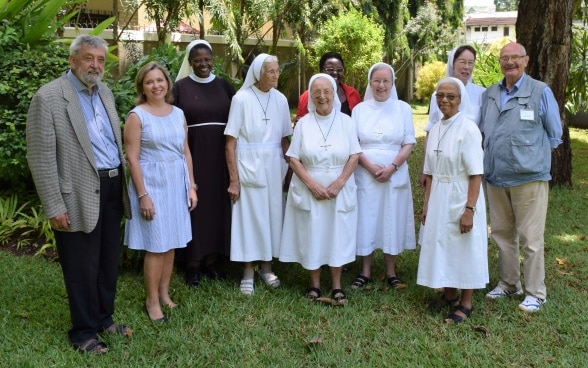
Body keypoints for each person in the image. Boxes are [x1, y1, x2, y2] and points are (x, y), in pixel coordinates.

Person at [26, 35, 132, 354]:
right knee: (81, 266)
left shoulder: (106, 92)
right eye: (88, 58)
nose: (95, 65)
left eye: (100, 60)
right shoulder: (49, 97)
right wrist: (54, 205)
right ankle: (83, 332)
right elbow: (40, 156)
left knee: (106, 262)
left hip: (112, 187)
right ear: (73, 61)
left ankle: (103, 317)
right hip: (76, 193)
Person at [480, 42, 562, 312]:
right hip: (495, 177)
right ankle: (508, 283)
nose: (510, 62)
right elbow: (484, 133)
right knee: (502, 235)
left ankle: (536, 293)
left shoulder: (540, 91)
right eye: (505, 58)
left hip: (529, 178)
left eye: (515, 57)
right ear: (500, 62)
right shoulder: (490, 93)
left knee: (530, 238)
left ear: (526, 61)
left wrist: (528, 155)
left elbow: (554, 134)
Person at [124, 62, 197, 322]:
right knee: (156, 245)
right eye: (149, 82)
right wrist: (143, 195)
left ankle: (164, 294)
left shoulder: (178, 113)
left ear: (168, 83)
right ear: (142, 87)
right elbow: (132, 158)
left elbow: (185, 151)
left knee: (171, 243)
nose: (156, 85)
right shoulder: (137, 116)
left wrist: (192, 186)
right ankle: (151, 301)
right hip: (151, 184)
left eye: (160, 80)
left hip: (176, 183)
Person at [280, 73, 361, 304]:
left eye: (327, 91)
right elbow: (293, 158)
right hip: (310, 187)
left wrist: (339, 183)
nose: (322, 96)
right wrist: (313, 185)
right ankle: (314, 285)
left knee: (338, 233)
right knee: (312, 233)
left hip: (340, 188)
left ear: (334, 94)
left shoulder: (346, 121)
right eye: (317, 92)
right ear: (311, 96)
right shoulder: (304, 123)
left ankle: (336, 285)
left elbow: (355, 155)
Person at [417, 77, 488, 324]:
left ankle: (466, 303)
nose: (444, 100)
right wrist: (427, 205)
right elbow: (431, 173)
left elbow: (476, 173)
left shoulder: (467, 128)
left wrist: (470, 209)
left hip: (461, 193)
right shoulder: (436, 128)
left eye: (451, 96)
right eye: (440, 96)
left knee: (463, 246)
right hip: (439, 195)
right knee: (443, 243)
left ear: (460, 100)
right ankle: (449, 295)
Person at [224, 54, 292, 295]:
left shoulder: (281, 99)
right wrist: (234, 180)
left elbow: (285, 139)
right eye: (270, 71)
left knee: (273, 215)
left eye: (277, 71)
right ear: (257, 73)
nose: (276, 75)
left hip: (274, 165)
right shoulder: (241, 99)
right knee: (249, 218)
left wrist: (288, 171)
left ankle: (266, 267)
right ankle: (247, 271)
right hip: (248, 163)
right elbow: (230, 142)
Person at [173, 40, 236, 287]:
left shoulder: (223, 85)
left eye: (207, 59)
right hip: (195, 154)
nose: (203, 64)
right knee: (195, 208)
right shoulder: (180, 87)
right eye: (197, 60)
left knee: (217, 206)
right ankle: (192, 264)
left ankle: (212, 261)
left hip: (221, 155)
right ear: (190, 62)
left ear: (213, 60)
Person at [350, 63, 416, 290]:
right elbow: (353, 144)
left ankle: (391, 272)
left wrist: (392, 167)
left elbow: (409, 142)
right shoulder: (359, 110)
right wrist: (369, 167)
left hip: (394, 173)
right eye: (376, 81)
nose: (381, 85)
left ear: (392, 83)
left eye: (386, 81)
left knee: (392, 217)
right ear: (370, 83)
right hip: (365, 173)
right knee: (366, 219)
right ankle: (365, 271)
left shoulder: (403, 108)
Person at [419, 45, 486, 188]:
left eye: (471, 63)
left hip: (469, 158)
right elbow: (431, 131)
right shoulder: (437, 95)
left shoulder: (482, 94)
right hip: (443, 158)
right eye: (462, 62)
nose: (466, 67)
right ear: (452, 64)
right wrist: (425, 169)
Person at [295, 52, 361, 120]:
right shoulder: (307, 96)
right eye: (330, 69)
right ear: (321, 71)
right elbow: (300, 122)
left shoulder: (353, 94)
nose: (335, 73)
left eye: (339, 70)